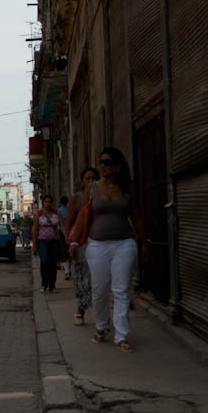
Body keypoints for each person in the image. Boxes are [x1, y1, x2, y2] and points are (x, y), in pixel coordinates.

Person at [74, 147, 138, 351]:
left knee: (120, 291)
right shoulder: (92, 188)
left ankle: (121, 335)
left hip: (124, 243)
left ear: (118, 166)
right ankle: (101, 325)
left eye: (107, 162)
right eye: (100, 162)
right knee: (99, 290)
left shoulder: (127, 188)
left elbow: (137, 216)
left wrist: (143, 243)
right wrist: (74, 242)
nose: (102, 166)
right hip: (97, 244)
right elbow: (82, 216)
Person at [66, 168, 98, 325]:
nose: (91, 181)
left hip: (99, 240)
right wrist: (71, 241)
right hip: (82, 242)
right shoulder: (77, 198)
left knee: (97, 280)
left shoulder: (102, 195)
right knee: (83, 279)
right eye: (88, 178)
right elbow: (71, 221)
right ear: (83, 181)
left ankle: (101, 318)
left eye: (94, 178)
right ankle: (80, 309)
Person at [35, 194, 63, 292]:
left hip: (54, 241)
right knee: (44, 262)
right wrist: (34, 245)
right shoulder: (38, 214)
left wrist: (67, 238)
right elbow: (35, 230)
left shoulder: (56, 213)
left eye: (49, 202)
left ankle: (52, 285)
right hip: (42, 242)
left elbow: (62, 226)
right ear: (43, 203)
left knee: (53, 264)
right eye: (46, 202)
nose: (48, 204)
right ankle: (44, 283)